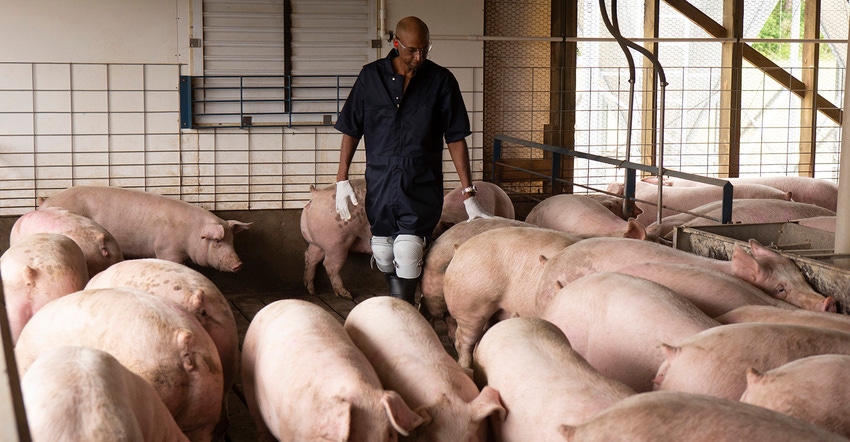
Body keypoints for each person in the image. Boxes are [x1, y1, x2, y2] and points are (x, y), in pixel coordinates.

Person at [333, 16, 491, 305]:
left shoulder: (441, 81)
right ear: (396, 44)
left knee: (407, 251)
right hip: (380, 182)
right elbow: (351, 129)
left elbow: (455, 138)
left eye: (425, 50)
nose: (419, 57)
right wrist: (341, 178)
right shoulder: (370, 78)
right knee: (382, 251)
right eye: (412, 50)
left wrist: (469, 195)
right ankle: (402, 299)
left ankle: (403, 309)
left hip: (420, 183)